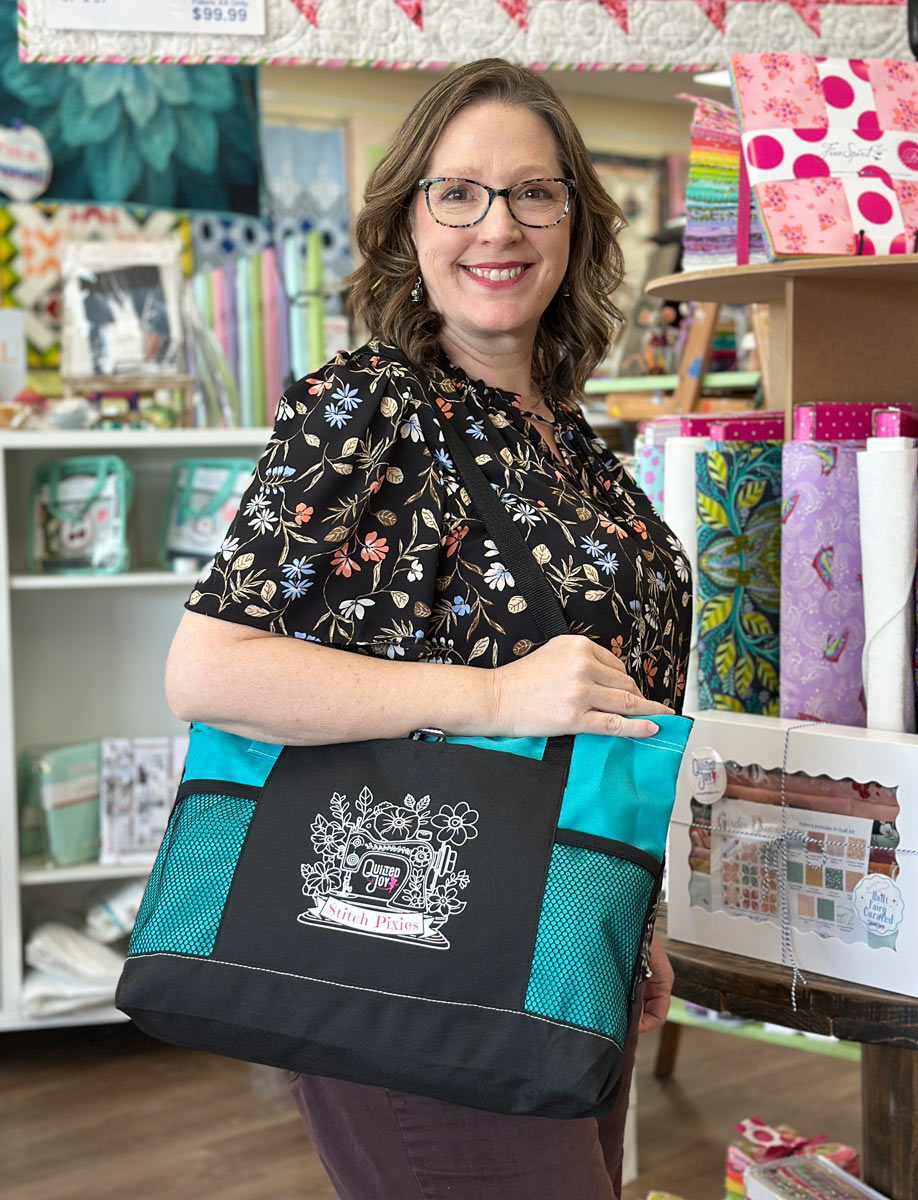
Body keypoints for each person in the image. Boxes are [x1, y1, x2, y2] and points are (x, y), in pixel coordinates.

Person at [165, 57, 691, 1200]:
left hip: (555, 951)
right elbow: (209, 670)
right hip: (410, 956)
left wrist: (630, 912)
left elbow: (607, 709)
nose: (495, 225)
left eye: (532, 192)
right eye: (458, 192)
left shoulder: (570, 442)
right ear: (410, 224)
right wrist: (497, 696)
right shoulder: (372, 403)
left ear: (575, 222)